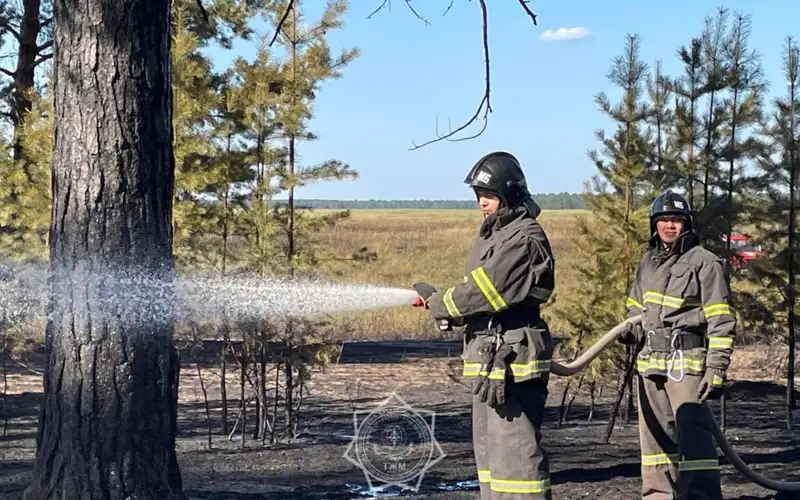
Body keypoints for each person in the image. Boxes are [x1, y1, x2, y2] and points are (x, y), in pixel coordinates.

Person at [412, 151, 556, 500]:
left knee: (517, 461)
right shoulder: (494, 235)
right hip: (492, 361)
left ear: (509, 195)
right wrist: (449, 308)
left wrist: (441, 304)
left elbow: (486, 291)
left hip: (513, 365)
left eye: (488, 196)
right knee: (492, 460)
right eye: (479, 197)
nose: (482, 204)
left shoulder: (524, 238)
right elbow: (483, 296)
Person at [620, 189, 736, 500]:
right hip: (650, 363)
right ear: (654, 225)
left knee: (694, 440)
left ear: (687, 224)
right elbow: (635, 307)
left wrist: (716, 367)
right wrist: (629, 330)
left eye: (676, 220)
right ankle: (658, 495)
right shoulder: (648, 263)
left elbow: (721, 320)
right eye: (664, 220)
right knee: (654, 441)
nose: (670, 226)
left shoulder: (705, 262)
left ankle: (700, 496)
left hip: (686, 362)